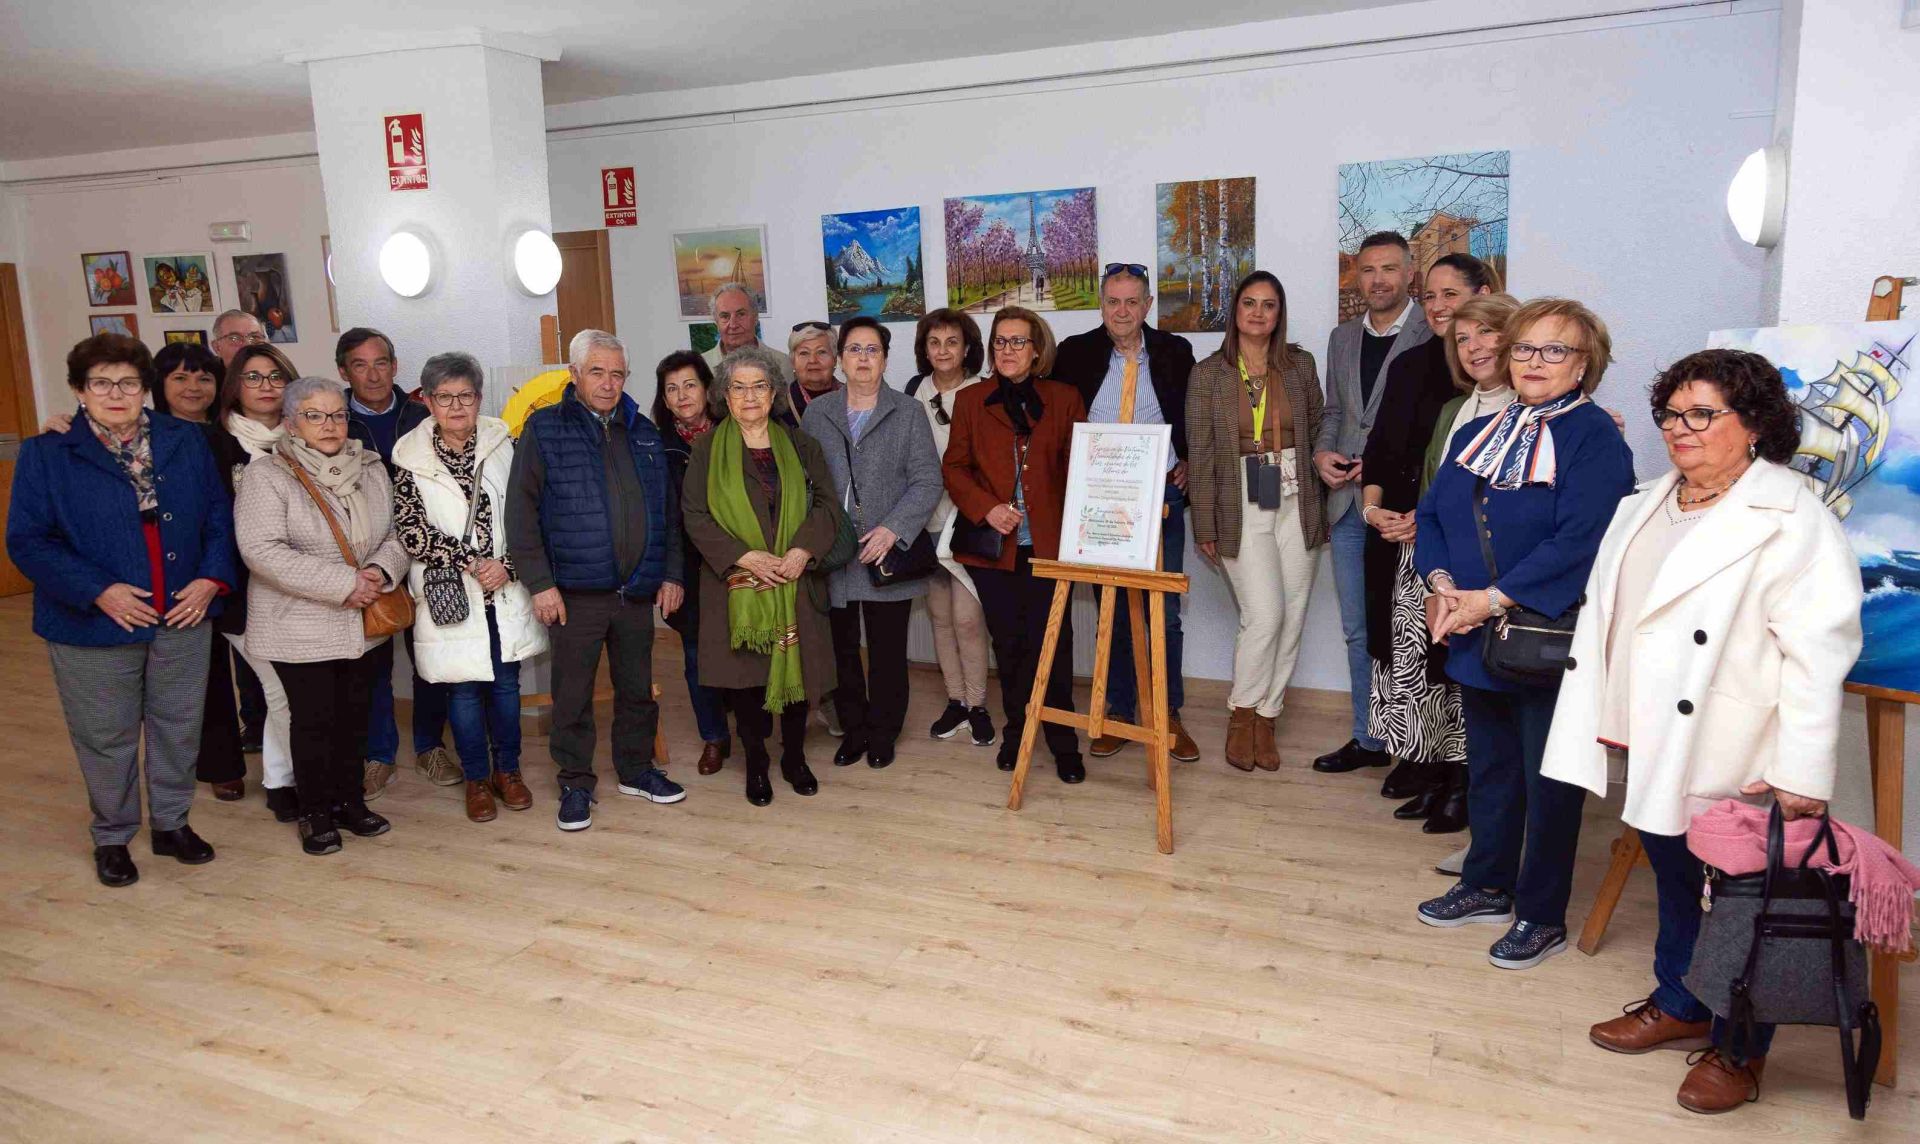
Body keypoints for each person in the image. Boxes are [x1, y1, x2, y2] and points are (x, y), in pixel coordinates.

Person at [1542, 349, 1863, 1114]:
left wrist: (1802, 773)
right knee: (1678, 879)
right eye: (1670, 414)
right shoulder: (1649, 500)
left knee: (1743, 905)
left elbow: (1819, 655)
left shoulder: (1793, 518)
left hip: (1738, 748)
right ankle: (1680, 998)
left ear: (1752, 426)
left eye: (1701, 415)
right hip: (1651, 736)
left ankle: (1739, 1046)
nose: (1678, 430)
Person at [1412, 298, 1635, 971]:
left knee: (1550, 782)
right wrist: (1443, 584)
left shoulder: (1595, 437)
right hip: (1475, 632)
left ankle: (1540, 915)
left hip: (1545, 636)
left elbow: (1583, 539)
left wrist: (1493, 597)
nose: (1535, 362)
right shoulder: (1489, 428)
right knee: (1493, 769)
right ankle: (1485, 883)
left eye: (1554, 350)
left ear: (1584, 365)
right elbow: (1434, 513)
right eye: (1525, 349)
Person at [7, 334, 233, 886]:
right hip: (92, 619)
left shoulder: (185, 439)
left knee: (178, 726)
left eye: (128, 382)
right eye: (101, 383)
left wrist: (210, 579)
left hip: (181, 611)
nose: (116, 393)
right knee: (105, 734)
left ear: (144, 388)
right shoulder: (47, 452)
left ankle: (172, 824)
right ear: (79, 391)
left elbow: (219, 515)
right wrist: (98, 590)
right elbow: (28, 541)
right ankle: (112, 835)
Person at [506, 330, 686, 832]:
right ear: (575, 375)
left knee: (636, 691)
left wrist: (671, 572)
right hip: (572, 596)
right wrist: (540, 583)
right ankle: (575, 782)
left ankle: (635, 769)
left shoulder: (646, 433)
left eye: (617, 373)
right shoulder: (543, 430)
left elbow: (667, 514)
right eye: (597, 372)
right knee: (572, 694)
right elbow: (520, 515)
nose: (608, 383)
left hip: (635, 593)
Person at [236, 377, 409, 855]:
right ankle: (315, 813)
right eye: (314, 415)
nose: (329, 425)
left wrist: (377, 571)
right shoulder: (267, 475)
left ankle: (350, 803)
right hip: (299, 624)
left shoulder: (371, 467)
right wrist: (343, 584)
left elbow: (395, 535)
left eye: (336, 415)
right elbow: (260, 550)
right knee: (313, 721)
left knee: (357, 717)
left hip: (364, 623)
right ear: (291, 423)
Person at [1357, 255, 1500, 814]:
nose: (1439, 307)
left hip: (1459, 546)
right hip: (1406, 534)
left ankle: (1460, 775)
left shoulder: (1506, 384)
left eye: (1451, 296)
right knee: (1414, 654)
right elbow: (1385, 447)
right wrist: (1374, 511)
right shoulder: (1418, 367)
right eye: (1432, 297)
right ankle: (1428, 760)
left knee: (1456, 659)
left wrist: (1426, 517)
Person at [682, 346, 842, 805]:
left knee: (796, 679)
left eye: (759, 385)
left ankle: (794, 757)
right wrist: (744, 556)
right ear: (724, 396)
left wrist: (801, 551)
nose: (749, 395)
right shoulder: (706, 449)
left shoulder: (800, 445)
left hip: (795, 581)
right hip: (736, 585)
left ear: (773, 393)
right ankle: (756, 762)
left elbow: (829, 506)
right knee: (748, 682)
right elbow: (694, 514)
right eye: (738, 386)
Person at [1054, 263, 1199, 763]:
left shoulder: (1176, 352)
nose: (1122, 311)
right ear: (1101, 304)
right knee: (1111, 609)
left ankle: (1167, 711)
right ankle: (1116, 711)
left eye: (1132, 302)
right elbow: (1057, 422)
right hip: (1100, 500)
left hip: (1161, 496)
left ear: (1148, 305)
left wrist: (1191, 466)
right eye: (1113, 301)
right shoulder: (1074, 353)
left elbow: (1195, 418)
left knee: (1166, 613)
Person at [393, 354, 547, 823]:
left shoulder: (506, 443)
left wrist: (506, 566)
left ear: (479, 398)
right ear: (428, 401)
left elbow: (532, 513)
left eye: (465, 395)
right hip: (449, 592)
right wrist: (471, 562)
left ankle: (509, 772)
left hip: (503, 587)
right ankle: (477, 779)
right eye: (445, 397)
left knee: (505, 687)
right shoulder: (408, 456)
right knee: (460, 690)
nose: (456, 405)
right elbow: (411, 530)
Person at [1186, 272, 1328, 771]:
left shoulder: (1301, 366)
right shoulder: (1208, 375)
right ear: (1235, 311)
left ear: (1278, 313)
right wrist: (1204, 525)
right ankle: (1241, 714)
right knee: (1263, 615)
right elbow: (1200, 456)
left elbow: (1317, 428)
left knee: (1292, 611)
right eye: (1249, 303)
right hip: (1239, 499)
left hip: (1297, 494)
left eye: (1269, 305)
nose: (1259, 313)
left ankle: (1269, 715)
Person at [942, 306, 1088, 781]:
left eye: (1018, 341)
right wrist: (986, 507)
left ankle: (1064, 742)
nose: (1007, 350)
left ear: (1037, 349)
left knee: (1054, 645)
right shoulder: (969, 399)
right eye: (1000, 341)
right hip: (994, 550)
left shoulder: (1064, 398)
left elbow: (1079, 470)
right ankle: (1017, 732)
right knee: (1009, 647)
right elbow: (955, 469)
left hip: (1050, 547)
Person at [1313, 232, 1432, 775]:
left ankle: (1417, 747)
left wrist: (1383, 465)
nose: (1378, 279)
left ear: (1411, 273)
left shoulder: (1435, 332)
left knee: (1408, 627)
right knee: (1359, 627)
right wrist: (1322, 454)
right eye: (1368, 270)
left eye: (1389, 268)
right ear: (1355, 277)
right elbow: (1337, 411)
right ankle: (1368, 737)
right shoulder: (1340, 339)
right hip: (1346, 505)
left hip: (1403, 508)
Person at [801, 317, 944, 770]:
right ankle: (855, 729)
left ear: (885, 358)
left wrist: (893, 530)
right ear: (840, 359)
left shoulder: (907, 412)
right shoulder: (817, 414)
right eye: (854, 350)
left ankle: (884, 732)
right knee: (842, 650)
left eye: (872, 350)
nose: (863, 359)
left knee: (886, 652)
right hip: (836, 553)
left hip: (887, 552)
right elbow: (805, 482)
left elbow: (927, 480)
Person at [334, 327, 455, 797]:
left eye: (381, 362)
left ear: (395, 366)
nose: (373, 374)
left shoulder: (423, 415)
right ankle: (378, 755)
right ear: (344, 372)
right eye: (360, 365)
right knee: (373, 664)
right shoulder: (334, 420)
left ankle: (429, 746)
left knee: (429, 655)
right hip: (366, 563)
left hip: (424, 554)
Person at [150, 341, 246, 800]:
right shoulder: (145, 438)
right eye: (180, 378)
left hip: (235, 565)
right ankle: (219, 765)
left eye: (204, 378)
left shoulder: (226, 436)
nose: (193, 387)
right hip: (184, 579)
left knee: (251, 667)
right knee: (202, 678)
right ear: (160, 385)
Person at [905, 308, 993, 746]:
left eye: (952, 342)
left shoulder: (985, 392)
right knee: (940, 617)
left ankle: (978, 705)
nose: (943, 350)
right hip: (925, 521)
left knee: (968, 619)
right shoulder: (911, 393)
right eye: (934, 342)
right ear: (924, 349)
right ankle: (955, 701)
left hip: (968, 522)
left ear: (967, 348)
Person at [652, 351, 734, 775]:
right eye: (672, 388)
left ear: (707, 389)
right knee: (696, 656)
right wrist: (669, 575)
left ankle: (751, 727)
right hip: (686, 568)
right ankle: (714, 737)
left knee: (743, 647)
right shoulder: (655, 446)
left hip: (737, 562)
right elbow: (660, 519)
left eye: (689, 385)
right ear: (664, 399)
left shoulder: (735, 433)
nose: (682, 395)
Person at [700, 283, 790, 376]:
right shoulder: (700, 366)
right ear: (716, 321)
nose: (733, 325)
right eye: (725, 316)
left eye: (741, 314)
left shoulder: (782, 364)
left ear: (755, 317)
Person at [787, 321, 844, 422]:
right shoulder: (779, 406)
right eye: (804, 353)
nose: (813, 360)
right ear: (793, 361)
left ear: (835, 359)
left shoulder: (855, 399)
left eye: (821, 352)